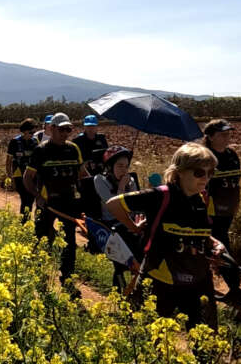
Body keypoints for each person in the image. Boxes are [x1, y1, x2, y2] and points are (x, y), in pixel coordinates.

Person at [106, 142, 226, 329]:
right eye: (199, 173)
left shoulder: (202, 200)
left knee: (207, 340)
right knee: (145, 336)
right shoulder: (161, 196)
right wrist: (134, 227)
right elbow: (113, 204)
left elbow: (200, 234)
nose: (206, 178)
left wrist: (216, 245)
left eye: (211, 173)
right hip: (160, 280)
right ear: (180, 172)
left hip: (198, 279)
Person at [23, 113, 88, 289]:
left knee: (69, 242)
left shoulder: (73, 149)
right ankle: (37, 274)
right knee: (41, 238)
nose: (65, 133)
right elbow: (28, 177)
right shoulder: (41, 151)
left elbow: (82, 174)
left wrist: (91, 193)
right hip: (48, 203)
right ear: (51, 129)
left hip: (69, 202)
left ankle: (67, 279)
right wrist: (37, 196)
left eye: (68, 130)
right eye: (61, 130)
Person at [202, 119, 241, 302]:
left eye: (228, 134)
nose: (227, 137)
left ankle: (208, 283)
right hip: (210, 211)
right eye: (222, 134)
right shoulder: (205, 157)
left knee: (213, 247)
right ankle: (234, 287)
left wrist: (236, 203)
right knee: (220, 245)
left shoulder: (231, 155)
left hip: (228, 209)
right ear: (210, 137)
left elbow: (235, 182)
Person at [92, 146, 141, 292]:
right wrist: (121, 187)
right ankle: (120, 289)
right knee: (123, 256)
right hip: (112, 223)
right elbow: (114, 206)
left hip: (130, 222)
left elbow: (136, 204)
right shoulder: (100, 180)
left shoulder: (130, 180)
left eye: (126, 166)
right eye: (119, 166)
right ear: (109, 167)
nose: (124, 170)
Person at [5, 118, 39, 221]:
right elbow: (8, 161)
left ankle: (26, 221)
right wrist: (10, 177)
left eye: (34, 132)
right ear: (24, 131)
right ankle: (24, 222)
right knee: (25, 198)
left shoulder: (35, 141)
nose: (32, 134)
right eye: (31, 132)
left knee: (31, 199)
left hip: (32, 175)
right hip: (18, 174)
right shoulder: (15, 142)